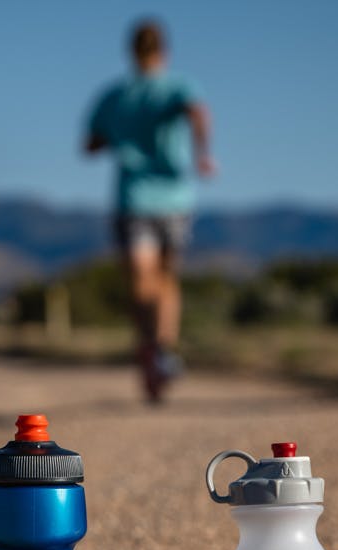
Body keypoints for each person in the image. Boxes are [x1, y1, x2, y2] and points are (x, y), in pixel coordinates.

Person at [84, 19, 215, 403]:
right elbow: (198, 114)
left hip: (151, 197)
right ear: (165, 50)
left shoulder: (119, 95)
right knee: (158, 279)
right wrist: (203, 154)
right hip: (158, 197)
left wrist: (118, 137)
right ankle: (156, 350)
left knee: (151, 279)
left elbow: (91, 143)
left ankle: (158, 350)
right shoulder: (164, 88)